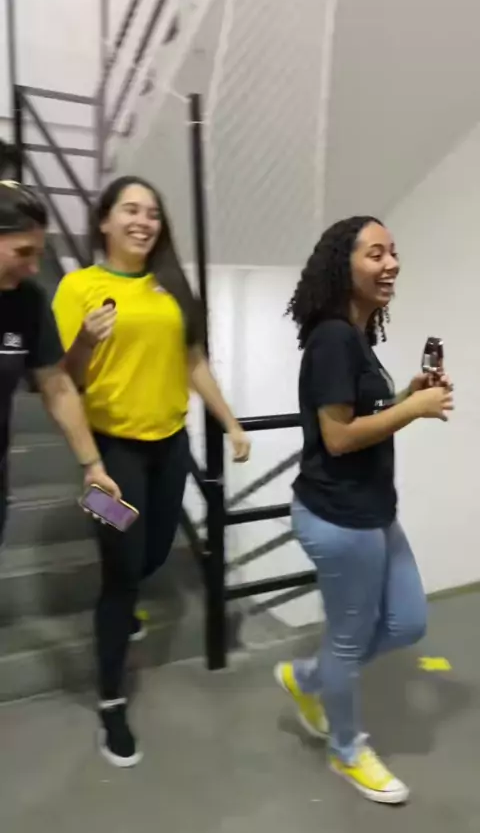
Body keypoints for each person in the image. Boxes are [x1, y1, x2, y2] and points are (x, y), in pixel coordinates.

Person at [52, 175, 250, 768]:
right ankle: (112, 702)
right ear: (104, 221)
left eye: (153, 213)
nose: (144, 221)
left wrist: (231, 423)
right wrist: (85, 342)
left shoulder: (171, 288)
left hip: (170, 446)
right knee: (120, 574)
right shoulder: (78, 287)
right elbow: (62, 381)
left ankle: (124, 574)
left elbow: (194, 362)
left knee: (156, 551)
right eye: (131, 210)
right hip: (112, 453)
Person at [275, 216, 453, 804]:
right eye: (376, 254)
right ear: (343, 266)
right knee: (348, 643)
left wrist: (404, 395)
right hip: (338, 517)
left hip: (373, 509)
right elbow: (338, 438)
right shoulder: (332, 338)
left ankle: (306, 677)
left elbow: (362, 413)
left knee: (407, 622)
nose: (391, 263)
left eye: (393, 252)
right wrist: (415, 410)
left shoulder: (356, 338)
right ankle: (347, 750)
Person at [0, 176, 120, 548]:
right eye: (23, 252)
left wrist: (92, 465)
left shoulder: (28, 301)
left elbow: (56, 385)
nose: (34, 267)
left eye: (39, 253)